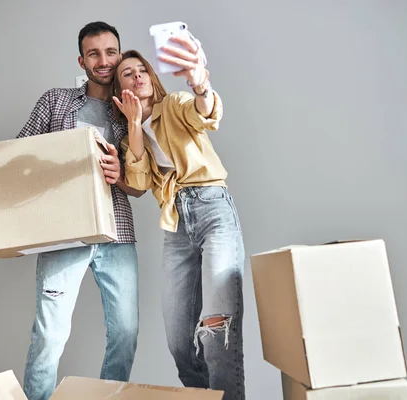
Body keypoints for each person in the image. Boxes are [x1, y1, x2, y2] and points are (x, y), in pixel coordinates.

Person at [16, 21, 144, 400]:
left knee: (125, 333)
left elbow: (138, 187)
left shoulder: (133, 110)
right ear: (82, 59)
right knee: (50, 334)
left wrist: (121, 175)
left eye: (110, 52)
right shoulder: (55, 101)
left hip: (117, 233)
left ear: (119, 54)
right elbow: (19, 155)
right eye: (94, 53)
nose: (103, 61)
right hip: (65, 233)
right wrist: (57, 161)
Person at [111, 39, 245, 400]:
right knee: (179, 343)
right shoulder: (131, 135)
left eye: (142, 71)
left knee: (218, 331)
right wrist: (135, 123)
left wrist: (200, 83)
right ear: (120, 89)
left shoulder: (174, 103)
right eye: (128, 74)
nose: (137, 77)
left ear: (152, 77)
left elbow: (204, 113)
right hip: (175, 226)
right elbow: (137, 182)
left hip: (212, 208)